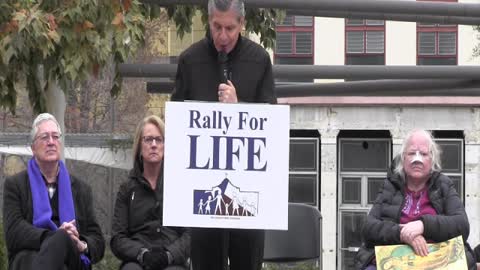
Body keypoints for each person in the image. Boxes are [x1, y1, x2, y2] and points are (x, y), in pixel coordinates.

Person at [171, 0, 276, 269]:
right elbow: (177, 126)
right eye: (217, 26)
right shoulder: (190, 60)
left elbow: (271, 124)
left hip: (248, 194)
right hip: (204, 193)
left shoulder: (259, 60)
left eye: (230, 28)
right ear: (209, 20)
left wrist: (238, 108)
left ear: (242, 24)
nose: (223, 36)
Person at [354, 129, 476, 270]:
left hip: (437, 262)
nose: (417, 159)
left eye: (423, 154)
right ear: (403, 158)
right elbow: (369, 228)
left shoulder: (443, 185)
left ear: (432, 159)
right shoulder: (390, 186)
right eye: (412, 153)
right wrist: (402, 233)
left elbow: (461, 224)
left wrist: (423, 226)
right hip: (395, 261)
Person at [3, 113, 105, 270]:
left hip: (72, 259)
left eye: (55, 137)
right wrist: (55, 236)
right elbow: (14, 233)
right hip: (30, 258)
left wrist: (81, 245)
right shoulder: (15, 185)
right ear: (33, 147)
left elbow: (97, 241)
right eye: (44, 137)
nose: (51, 142)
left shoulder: (81, 189)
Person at [110, 115, 190, 270]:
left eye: (159, 140)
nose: (154, 145)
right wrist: (142, 254)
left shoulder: (179, 186)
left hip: (172, 261)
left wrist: (169, 255)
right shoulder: (127, 189)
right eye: (148, 139)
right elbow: (117, 238)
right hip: (138, 261)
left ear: (166, 146)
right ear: (139, 147)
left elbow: (190, 235)